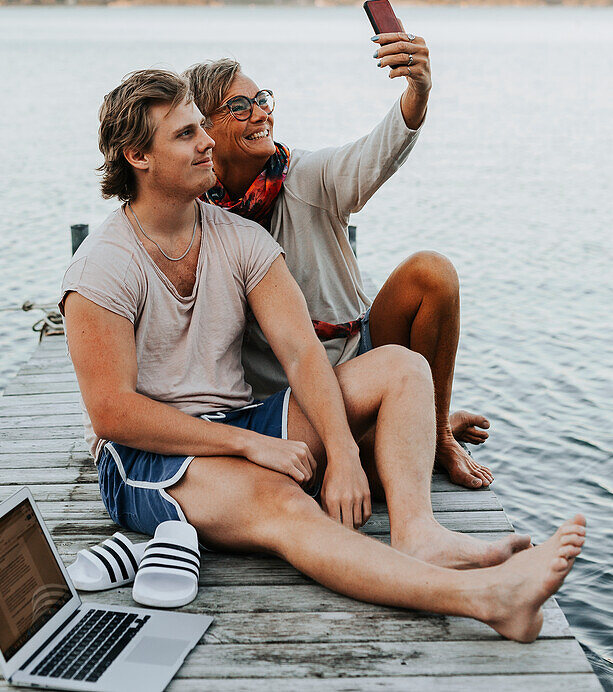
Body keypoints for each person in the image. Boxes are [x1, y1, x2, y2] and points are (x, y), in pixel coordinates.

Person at [60, 68, 585, 643]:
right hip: (147, 456)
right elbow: (114, 414)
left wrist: (342, 455)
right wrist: (252, 444)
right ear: (138, 155)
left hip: (241, 421)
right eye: (186, 134)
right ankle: (487, 599)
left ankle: (418, 534)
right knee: (284, 504)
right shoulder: (100, 267)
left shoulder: (239, 237)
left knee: (402, 366)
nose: (208, 141)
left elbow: (304, 354)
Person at [184, 38, 492, 491]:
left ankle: (438, 431)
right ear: (204, 128)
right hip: (291, 395)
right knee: (354, 464)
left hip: (362, 349)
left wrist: (417, 93)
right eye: (241, 106)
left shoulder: (304, 176)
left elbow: (373, 156)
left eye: (262, 100)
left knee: (433, 272)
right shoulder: (196, 218)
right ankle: (409, 424)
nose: (261, 114)